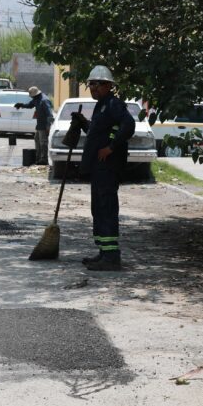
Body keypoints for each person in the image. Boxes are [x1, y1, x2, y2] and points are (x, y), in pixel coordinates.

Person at [70, 66, 135, 271]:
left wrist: (111, 147)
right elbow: (99, 132)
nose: (93, 88)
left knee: (106, 209)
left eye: (97, 84)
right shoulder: (101, 106)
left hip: (108, 168)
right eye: (91, 84)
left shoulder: (114, 104)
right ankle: (104, 252)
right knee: (97, 209)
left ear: (108, 85)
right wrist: (84, 124)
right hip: (98, 168)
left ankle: (112, 257)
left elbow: (128, 125)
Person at [15, 86, 54, 165]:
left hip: (44, 125)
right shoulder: (36, 99)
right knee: (37, 139)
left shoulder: (44, 100)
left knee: (43, 142)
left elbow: (50, 115)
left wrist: (48, 126)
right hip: (39, 124)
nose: (32, 98)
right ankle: (38, 157)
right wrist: (21, 105)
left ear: (36, 94)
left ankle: (44, 159)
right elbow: (30, 105)